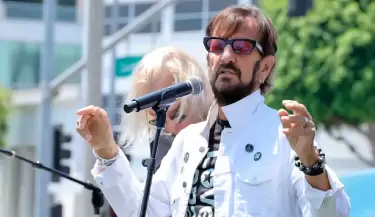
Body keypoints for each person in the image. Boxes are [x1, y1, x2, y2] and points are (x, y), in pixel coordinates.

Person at [76, 5, 351, 217]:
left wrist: (311, 161)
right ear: (209, 56)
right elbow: (144, 210)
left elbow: (333, 212)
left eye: (242, 47)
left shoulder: (284, 137)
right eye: (218, 45)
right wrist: (107, 151)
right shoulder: (188, 140)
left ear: (265, 67)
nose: (227, 56)